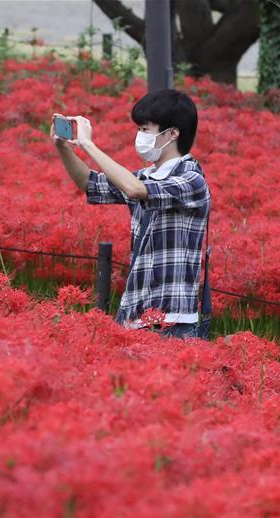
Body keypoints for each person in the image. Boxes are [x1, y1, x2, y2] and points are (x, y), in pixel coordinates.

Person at [51, 89, 211, 339]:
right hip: (134, 313)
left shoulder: (192, 180)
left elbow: (135, 190)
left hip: (171, 321)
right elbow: (89, 184)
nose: (140, 136)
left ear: (172, 133)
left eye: (146, 129)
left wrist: (89, 145)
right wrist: (63, 147)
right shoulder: (145, 176)